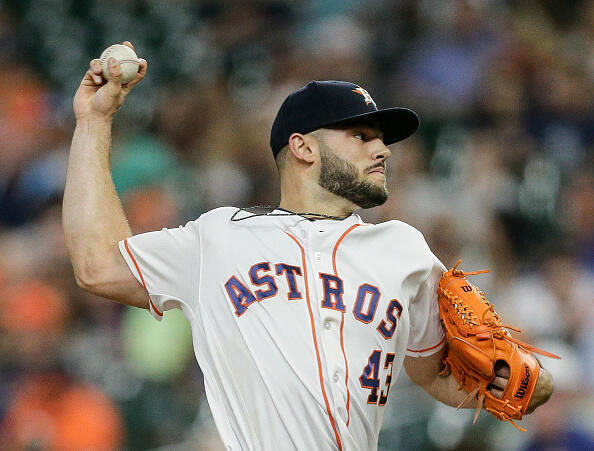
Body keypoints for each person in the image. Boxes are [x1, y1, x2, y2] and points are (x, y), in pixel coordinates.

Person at [62, 42, 553, 450]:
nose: (381, 149)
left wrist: (522, 380)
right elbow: (97, 264)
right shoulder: (218, 237)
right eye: (360, 135)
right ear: (303, 147)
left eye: (381, 139)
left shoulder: (404, 249)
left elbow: (442, 378)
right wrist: (93, 122)